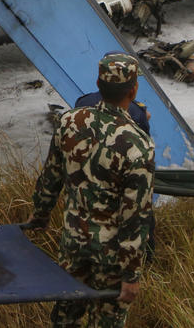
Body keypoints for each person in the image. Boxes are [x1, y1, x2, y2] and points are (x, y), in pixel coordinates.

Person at [26, 53, 154, 328]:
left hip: (73, 244)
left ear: (98, 83)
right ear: (133, 90)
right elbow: (135, 217)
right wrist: (131, 276)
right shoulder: (138, 145)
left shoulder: (69, 122)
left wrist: (39, 216)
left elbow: (50, 177)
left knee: (64, 318)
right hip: (112, 258)